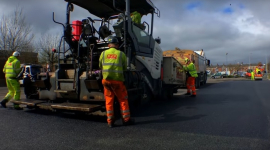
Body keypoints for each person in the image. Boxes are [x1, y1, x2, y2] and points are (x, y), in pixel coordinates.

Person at [99, 36, 135, 128]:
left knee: (109, 101)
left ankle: (110, 121)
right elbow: (124, 68)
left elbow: (100, 66)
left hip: (106, 81)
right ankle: (126, 120)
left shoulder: (103, 53)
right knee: (122, 100)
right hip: (118, 82)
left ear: (108, 45)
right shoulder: (121, 54)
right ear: (117, 45)